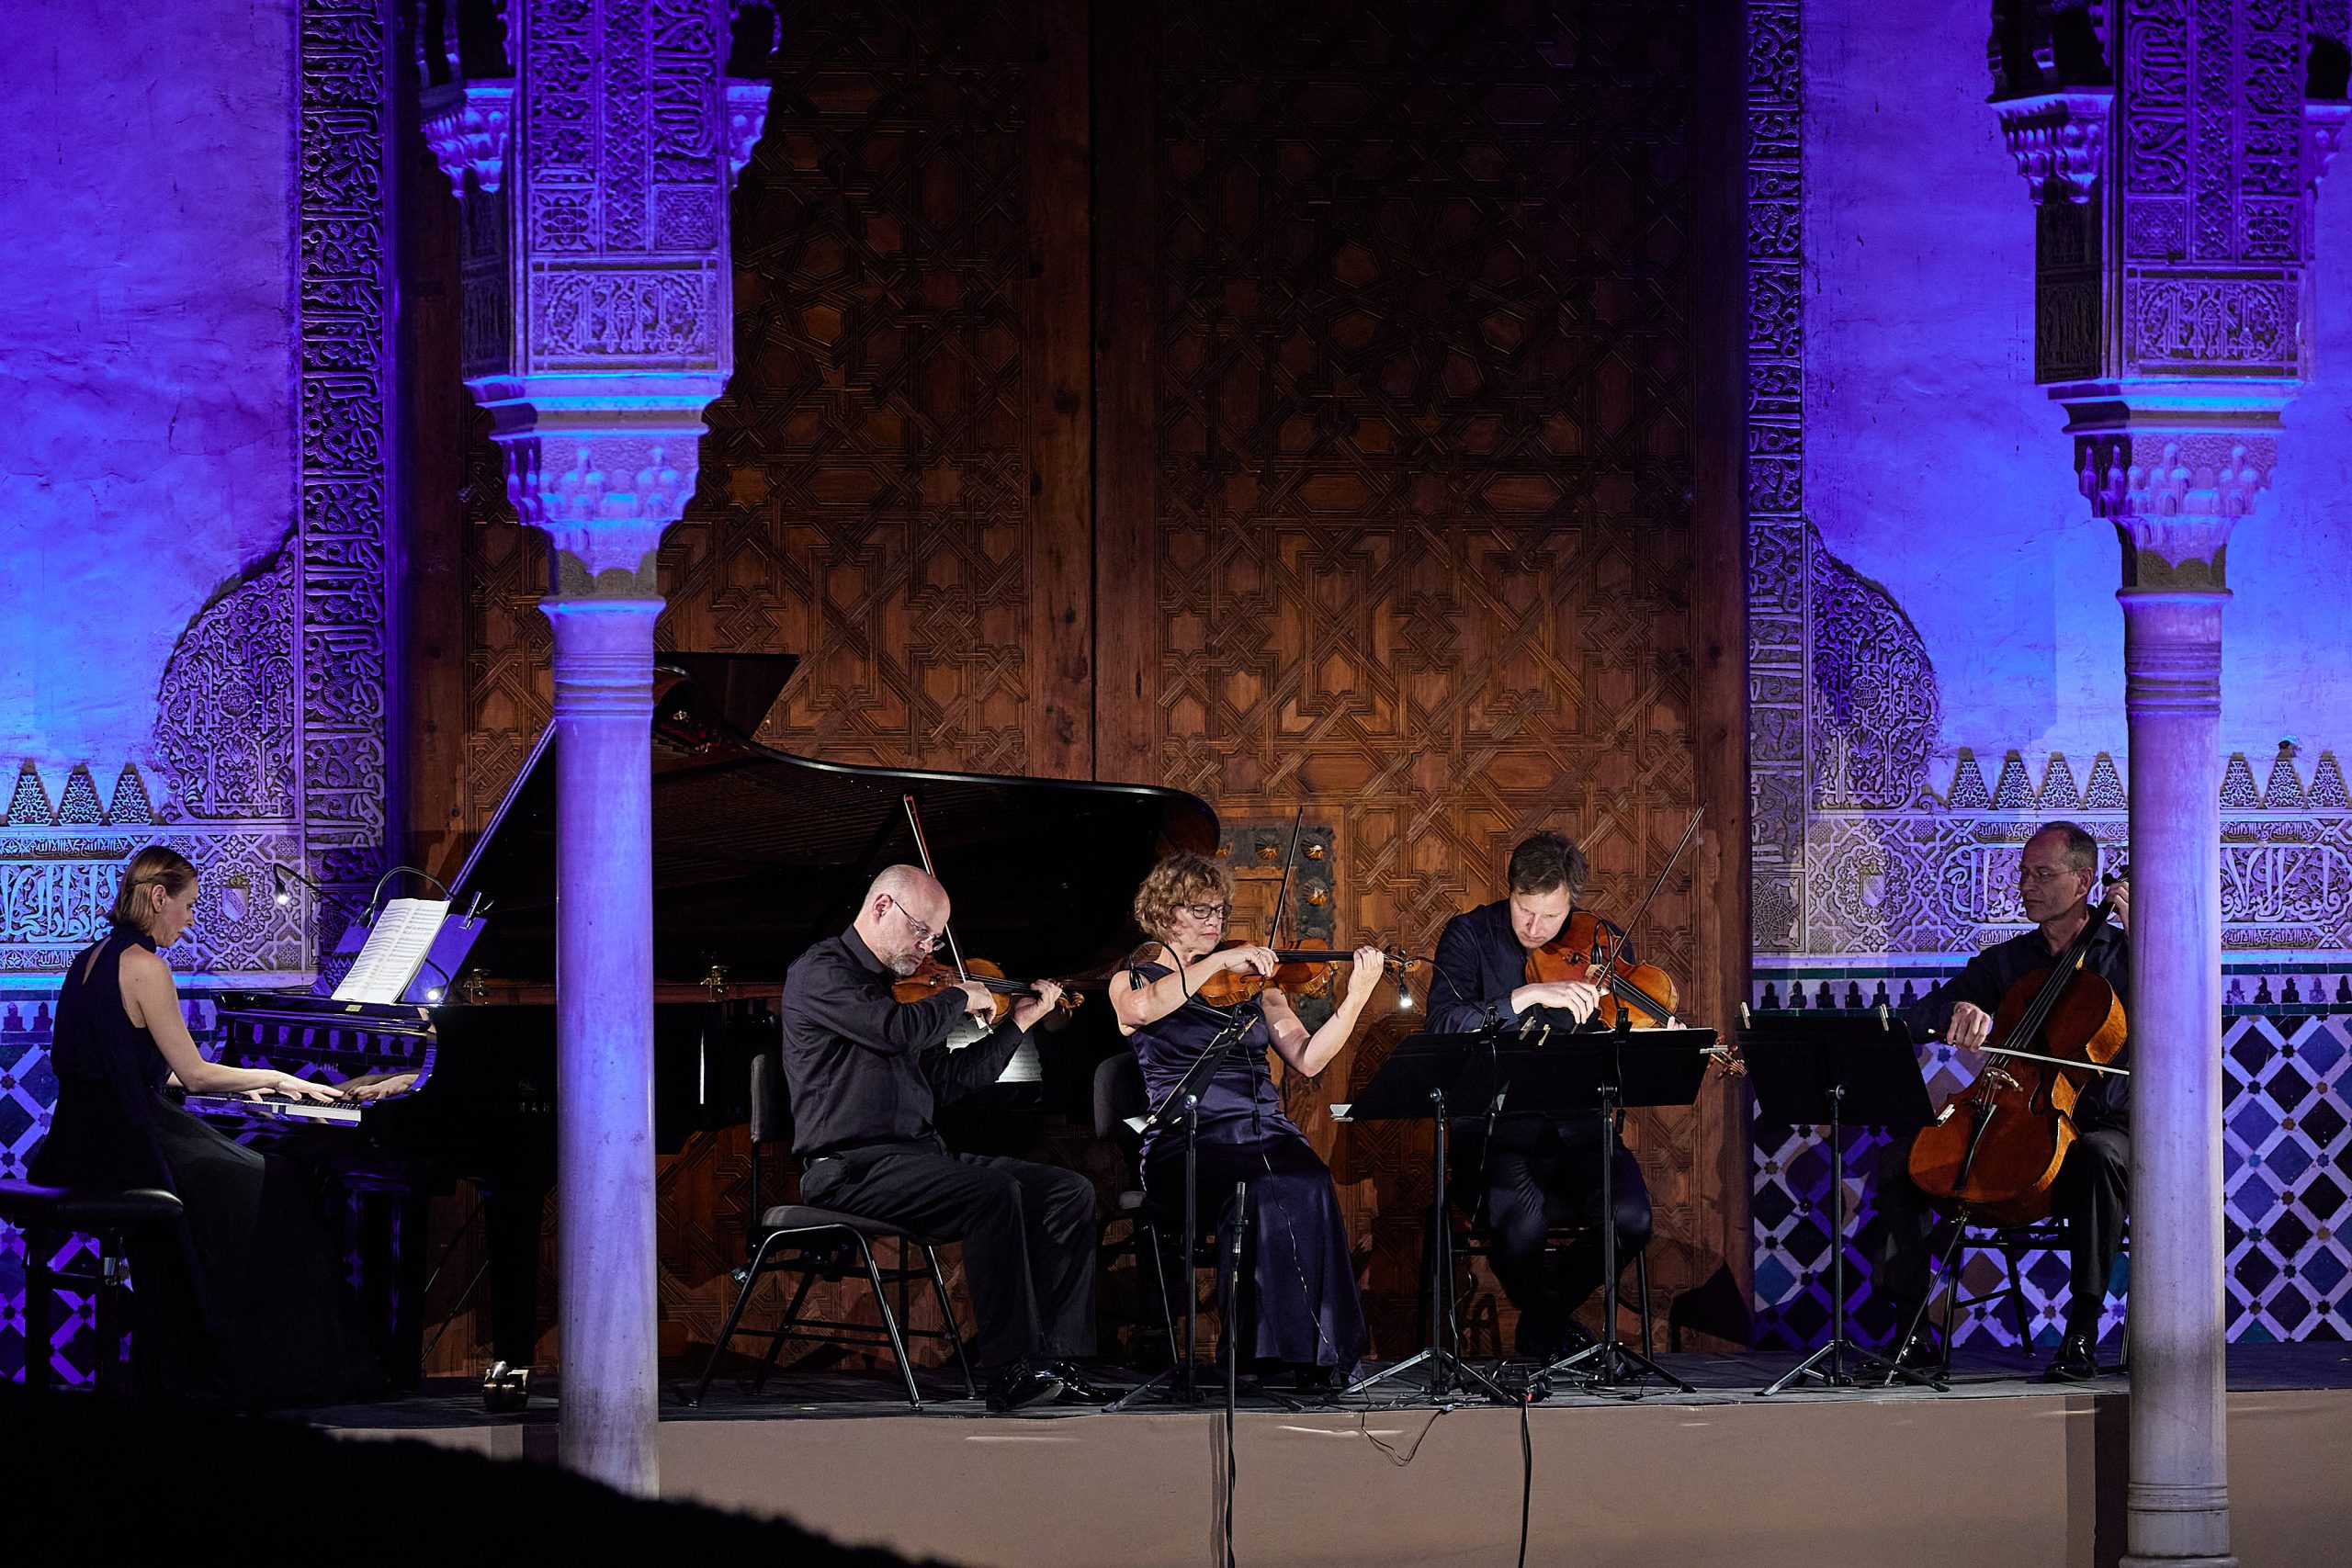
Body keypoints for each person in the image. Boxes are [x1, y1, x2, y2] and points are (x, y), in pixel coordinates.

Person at [29, 846, 380, 1404]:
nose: (190, 920)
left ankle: (185, 1360)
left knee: (242, 1174)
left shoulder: (90, 957)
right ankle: (268, 1370)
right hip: (132, 1146)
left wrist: (250, 1086)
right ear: (158, 897)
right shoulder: (145, 965)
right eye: (188, 906)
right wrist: (278, 1079)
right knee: (280, 1184)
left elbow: (132, 1070)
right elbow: (192, 1076)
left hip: (80, 1141)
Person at [777, 863, 1091, 1412]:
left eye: (934, 937)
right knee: (992, 1194)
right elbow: (893, 1034)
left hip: (919, 1158)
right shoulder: (822, 972)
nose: (928, 947)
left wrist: (1018, 1023)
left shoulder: (904, 991)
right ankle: (1010, 1370)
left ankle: (1055, 1360)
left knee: (1067, 1191)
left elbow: (949, 1082)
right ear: (880, 908)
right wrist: (956, 998)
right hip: (851, 1166)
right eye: (922, 931)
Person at [1111, 852, 1383, 1388]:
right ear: (1165, 911)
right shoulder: (1134, 978)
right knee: (1256, 1188)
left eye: (1220, 909)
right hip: (1186, 1139)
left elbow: (1307, 1057)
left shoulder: (1256, 985)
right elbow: (1138, 1013)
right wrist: (1214, 962)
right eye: (1201, 909)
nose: (1215, 920)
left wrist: (1355, 999)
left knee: (1308, 1180)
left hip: (1263, 1128)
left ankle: (1315, 1355)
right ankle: (1259, 1355)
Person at [1877, 820, 2130, 1382]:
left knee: (2101, 1156)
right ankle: (1912, 1328)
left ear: (2085, 880)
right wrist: (1956, 1014)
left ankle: (2083, 1327)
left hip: (2093, 1130)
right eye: (2023, 874)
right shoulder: (2007, 962)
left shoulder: (2127, 955)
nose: (2027, 886)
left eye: (2043, 874)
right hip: (2007, 1127)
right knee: (1900, 1162)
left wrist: (2147, 947)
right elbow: (1921, 1014)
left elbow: (2183, 1026)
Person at [1426, 831, 1652, 1361]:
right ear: (1510, 892)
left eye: (1550, 917)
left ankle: (1543, 1321)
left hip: (1580, 1130)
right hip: (1496, 1133)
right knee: (1521, 1222)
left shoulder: (1601, 943)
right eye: (1524, 911)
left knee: (1632, 1218)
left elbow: (1620, 1042)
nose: (1534, 928)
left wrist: (1637, 1032)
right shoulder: (1469, 936)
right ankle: (1552, 1327)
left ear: (1572, 902)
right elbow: (1441, 1024)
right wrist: (1522, 996)